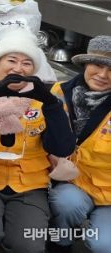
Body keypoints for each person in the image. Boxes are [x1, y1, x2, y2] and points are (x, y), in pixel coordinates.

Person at [0, 30, 75, 253]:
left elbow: (62, 147)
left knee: (29, 245)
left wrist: (51, 105)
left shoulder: (45, 99)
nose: (18, 68)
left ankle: (13, 234)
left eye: (27, 63)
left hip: (30, 185)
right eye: (11, 60)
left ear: (34, 69)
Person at [48, 35, 111, 252]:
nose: (103, 75)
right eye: (97, 65)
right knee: (64, 204)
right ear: (85, 64)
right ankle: (60, 242)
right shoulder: (58, 92)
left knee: (104, 245)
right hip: (71, 183)